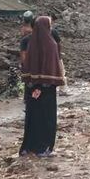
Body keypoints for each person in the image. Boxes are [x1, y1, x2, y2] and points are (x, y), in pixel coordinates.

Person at [20, 16, 66, 157]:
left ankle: (29, 147)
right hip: (47, 88)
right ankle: (44, 148)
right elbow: (53, 66)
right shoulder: (50, 44)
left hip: (32, 86)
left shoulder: (30, 43)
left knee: (33, 116)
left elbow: (25, 64)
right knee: (47, 117)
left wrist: (35, 85)